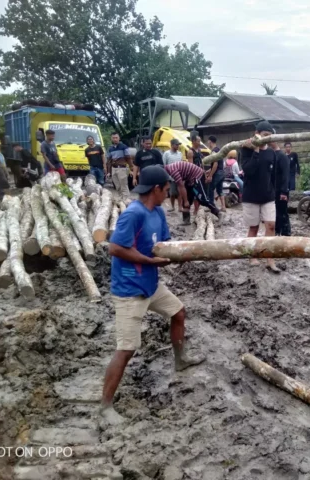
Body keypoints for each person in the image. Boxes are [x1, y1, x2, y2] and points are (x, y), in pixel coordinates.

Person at [100, 165, 205, 424]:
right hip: (129, 289)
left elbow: (164, 246)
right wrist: (150, 261)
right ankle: (105, 406)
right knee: (126, 349)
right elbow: (115, 248)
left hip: (150, 284)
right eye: (165, 189)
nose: (167, 192)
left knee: (178, 312)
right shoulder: (133, 214)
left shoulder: (158, 212)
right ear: (155, 189)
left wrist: (179, 254)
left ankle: (180, 360)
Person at [241, 120, 280, 273]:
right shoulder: (246, 150)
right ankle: (253, 255)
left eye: (269, 136)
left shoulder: (271, 152)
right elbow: (248, 171)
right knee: (254, 227)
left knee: (271, 226)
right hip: (251, 196)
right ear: (256, 134)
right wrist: (256, 150)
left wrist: (276, 191)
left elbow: (273, 174)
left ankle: (270, 258)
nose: (267, 139)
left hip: (268, 196)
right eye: (265, 135)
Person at [107, 132, 133, 200]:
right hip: (114, 169)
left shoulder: (124, 147)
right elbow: (109, 161)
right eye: (113, 138)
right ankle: (121, 200)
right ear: (111, 139)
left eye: (116, 138)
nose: (115, 139)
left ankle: (127, 200)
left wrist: (131, 169)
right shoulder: (110, 148)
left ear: (119, 138)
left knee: (124, 186)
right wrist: (108, 171)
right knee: (117, 186)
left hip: (122, 169)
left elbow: (128, 158)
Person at [273, 142, 291, 236]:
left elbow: (285, 175)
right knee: (275, 213)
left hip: (281, 190)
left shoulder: (282, 156)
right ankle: (276, 232)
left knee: (282, 213)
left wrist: (284, 191)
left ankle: (286, 234)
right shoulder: (271, 154)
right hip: (273, 190)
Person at [206, 135, 226, 212]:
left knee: (210, 188)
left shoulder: (214, 151)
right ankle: (223, 207)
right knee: (220, 190)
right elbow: (218, 164)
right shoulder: (219, 150)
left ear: (210, 141)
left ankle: (211, 206)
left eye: (208, 141)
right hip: (221, 172)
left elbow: (215, 164)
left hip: (217, 173)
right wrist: (208, 171)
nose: (208, 143)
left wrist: (210, 175)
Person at [163, 138, 183, 212]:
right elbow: (164, 165)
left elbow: (182, 164)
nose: (178, 146)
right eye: (176, 145)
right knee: (172, 193)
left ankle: (180, 207)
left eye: (178, 145)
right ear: (172, 145)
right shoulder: (166, 154)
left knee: (180, 192)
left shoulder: (180, 154)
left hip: (179, 176)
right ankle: (172, 206)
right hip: (170, 177)